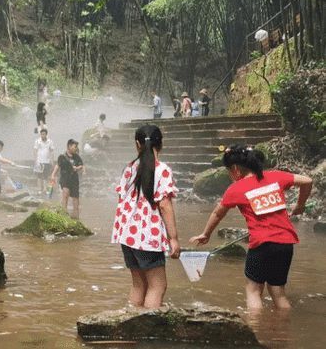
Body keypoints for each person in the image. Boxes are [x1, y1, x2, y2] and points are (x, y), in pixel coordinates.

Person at [190, 145, 313, 310]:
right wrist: (300, 205)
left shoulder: (236, 189)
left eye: (228, 171)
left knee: (253, 290)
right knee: (278, 292)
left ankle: (256, 330)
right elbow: (307, 181)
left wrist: (206, 234)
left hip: (261, 245)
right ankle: (284, 332)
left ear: (235, 169)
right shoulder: (275, 177)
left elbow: (217, 214)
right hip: (285, 244)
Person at [111, 124, 180, 309]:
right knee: (158, 286)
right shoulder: (162, 169)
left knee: (139, 284)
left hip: (127, 235)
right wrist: (173, 238)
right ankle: (148, 331)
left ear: (137, 145)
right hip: (147, 236)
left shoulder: (129, 168)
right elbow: (165, 205)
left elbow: (121, 199)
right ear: (161, 144)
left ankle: (131, 323)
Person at [51, 139, 85, 219]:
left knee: (76, 199)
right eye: (75, 146)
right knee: (65, 193)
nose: (76, 148)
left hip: (74, 179)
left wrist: (77, 168)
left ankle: (76, 217)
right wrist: (53, 175)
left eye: (76, 147)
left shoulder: (76, 156)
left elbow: (81, 165)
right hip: (65, 178)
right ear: (69, 146)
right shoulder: (62, 157)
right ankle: (64, 215)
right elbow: (57, 166)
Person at [34, 128, 55, 195]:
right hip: (39, 161)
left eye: (44, 134)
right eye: (41, 134)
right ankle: (40, 189)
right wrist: (35, 160)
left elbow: (52, 151)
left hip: (47, 161)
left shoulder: (50, 141)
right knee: (39, 176)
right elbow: (35, 150)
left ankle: (45, 189)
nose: (42, 135)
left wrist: (52, 160)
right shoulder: (37, 141)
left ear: (46, 134)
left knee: (46, 176)